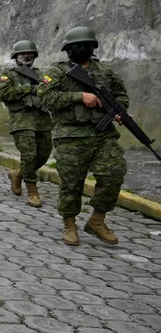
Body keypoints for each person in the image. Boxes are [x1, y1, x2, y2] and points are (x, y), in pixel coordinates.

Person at [38, 26, 128, 247]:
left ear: (91, 47)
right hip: (70, 135)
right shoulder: (57, 71)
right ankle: (70, 224)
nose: (77, 50)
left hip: (103, 133)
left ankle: (97, 220)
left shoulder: (105, 72)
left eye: (82, 46)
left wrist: (119, 110)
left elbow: (121, 95)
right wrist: (80, 97)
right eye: (72, 47)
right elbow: (45, 97)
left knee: (114, 173)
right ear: (67, 50)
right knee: (72, 183)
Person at [0, 40, 53, 208]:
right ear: (16, 57)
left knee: (43, 154)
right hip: (21, 119)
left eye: (30, 54)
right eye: (23, 54)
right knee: (29, 154)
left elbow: (51, 90)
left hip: (42, 119)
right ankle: (32, 191)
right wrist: (27, 88)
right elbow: (3, 93)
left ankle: (18, 174)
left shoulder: (41, 74)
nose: (27, 57)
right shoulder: (9, 75)